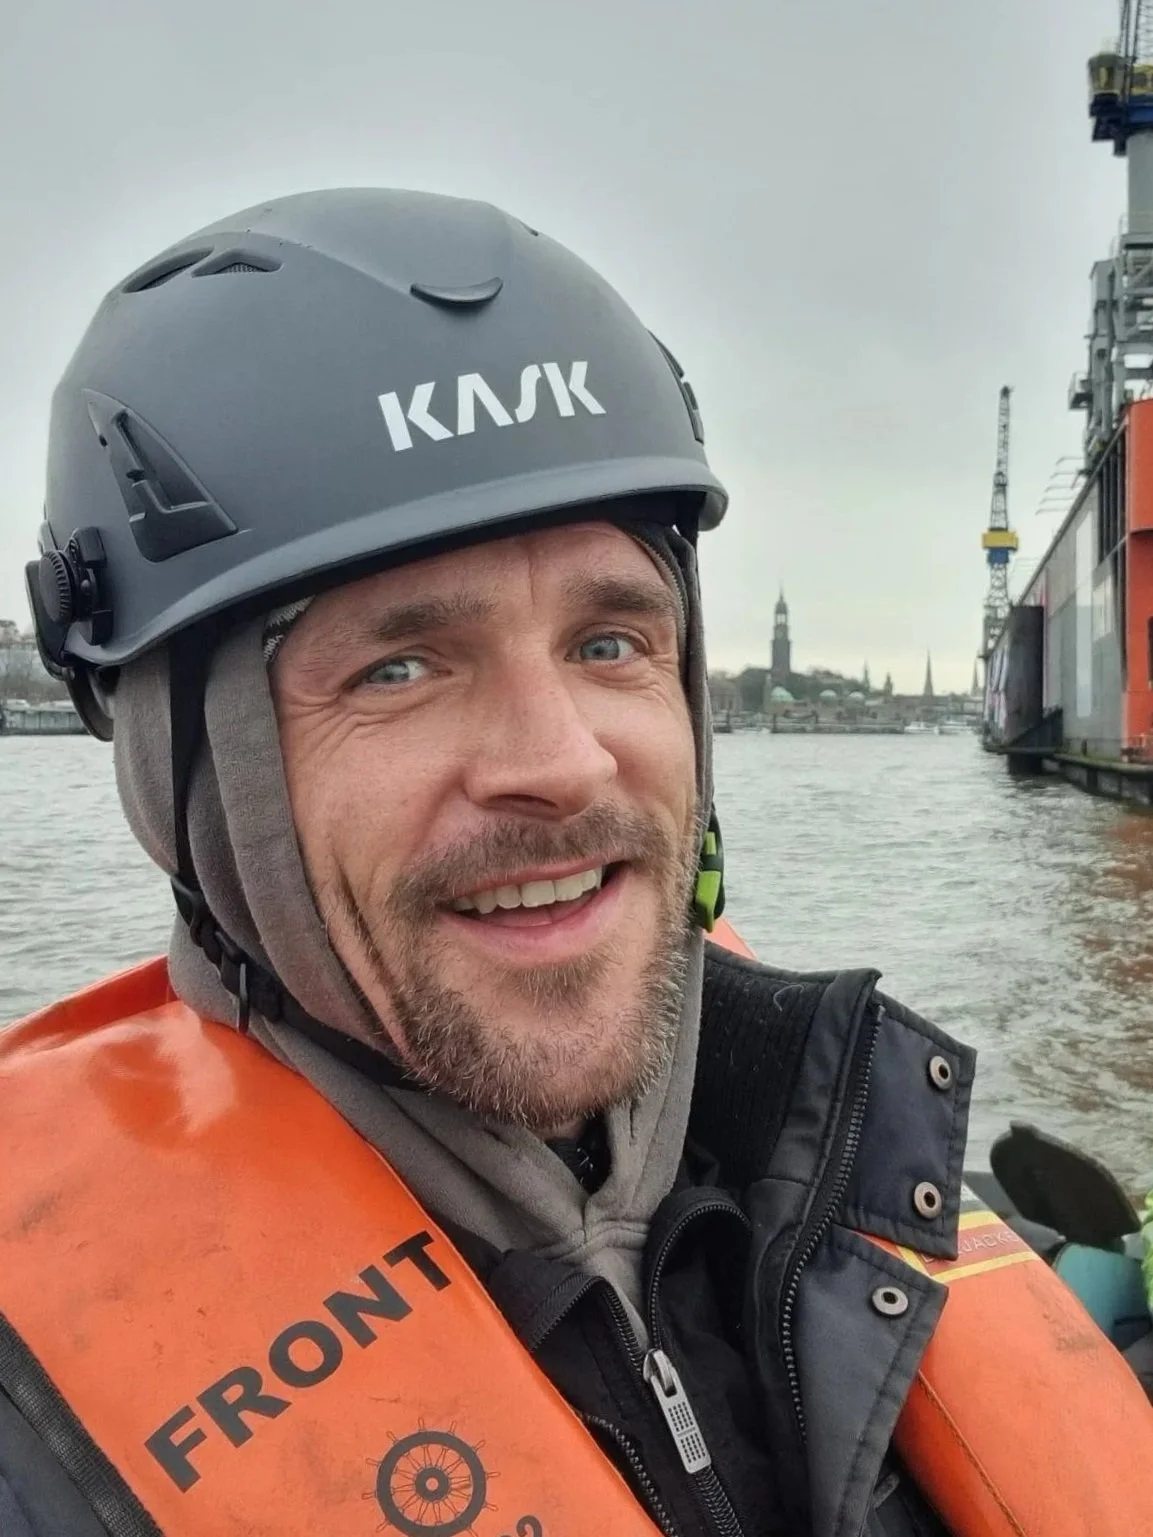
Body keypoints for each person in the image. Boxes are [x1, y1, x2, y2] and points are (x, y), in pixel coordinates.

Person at [3, 190, 1150, 1537]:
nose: (562, 761)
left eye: (610, 641)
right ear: (179, 769)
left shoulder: (848, 1157)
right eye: (401, 665)